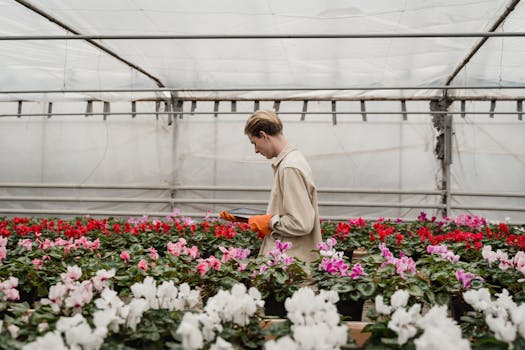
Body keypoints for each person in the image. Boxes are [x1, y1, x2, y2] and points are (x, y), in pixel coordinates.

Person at [220, 110, 322, 262]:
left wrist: (268, 222)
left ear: (263, 135)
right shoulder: (291, 161)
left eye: (254, 143)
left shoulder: (289, 167)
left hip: (291, 263)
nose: (255, 150)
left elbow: (301, 223)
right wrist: (254, 218)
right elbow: (291, 212)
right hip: (290, 263)